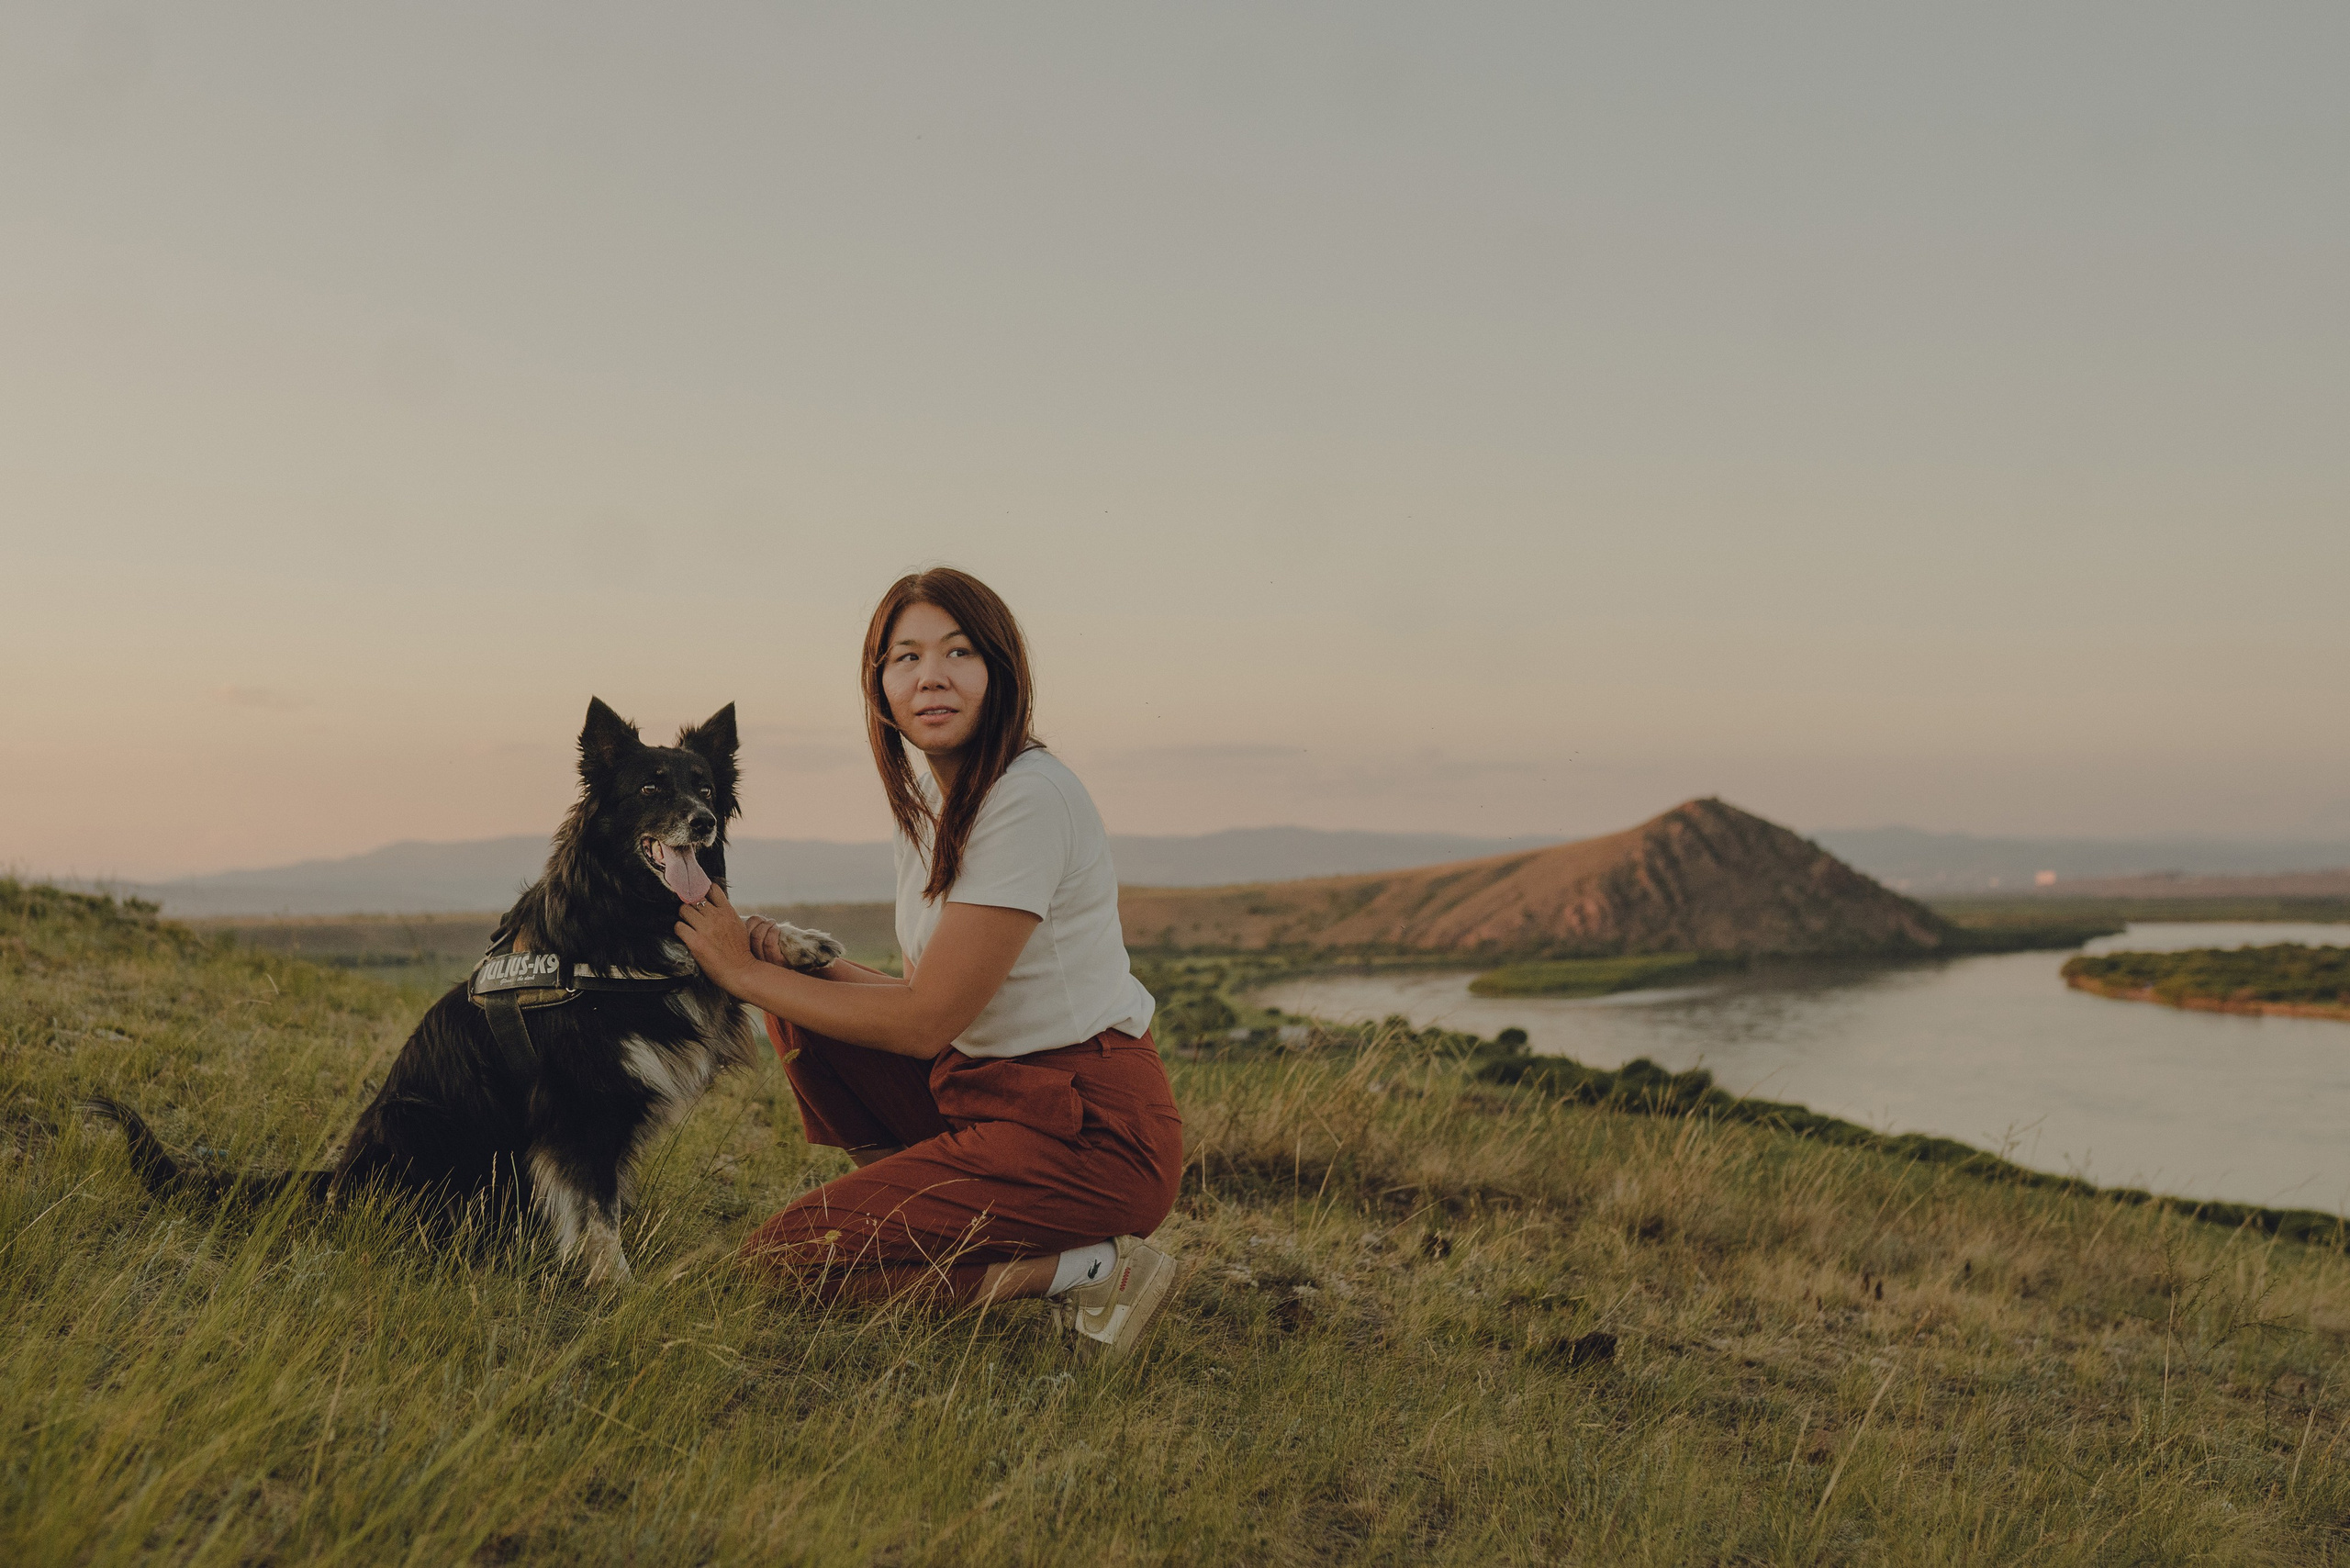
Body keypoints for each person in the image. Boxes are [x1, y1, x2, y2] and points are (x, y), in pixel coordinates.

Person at [674, 566, 1183, 1354]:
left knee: (783, 1262)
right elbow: (925, 994)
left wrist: (741, 972)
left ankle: (1088, 1270)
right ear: (879, 686)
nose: (931, 676)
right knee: (797, 1002)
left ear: (1000, 672)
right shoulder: (936, 802)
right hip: (986, 1092)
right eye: (905, 657)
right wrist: (784, 960)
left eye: (958, 652)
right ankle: (929, 1215)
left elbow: (925, 1022)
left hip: (1092, 1130)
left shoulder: (1028, 798)